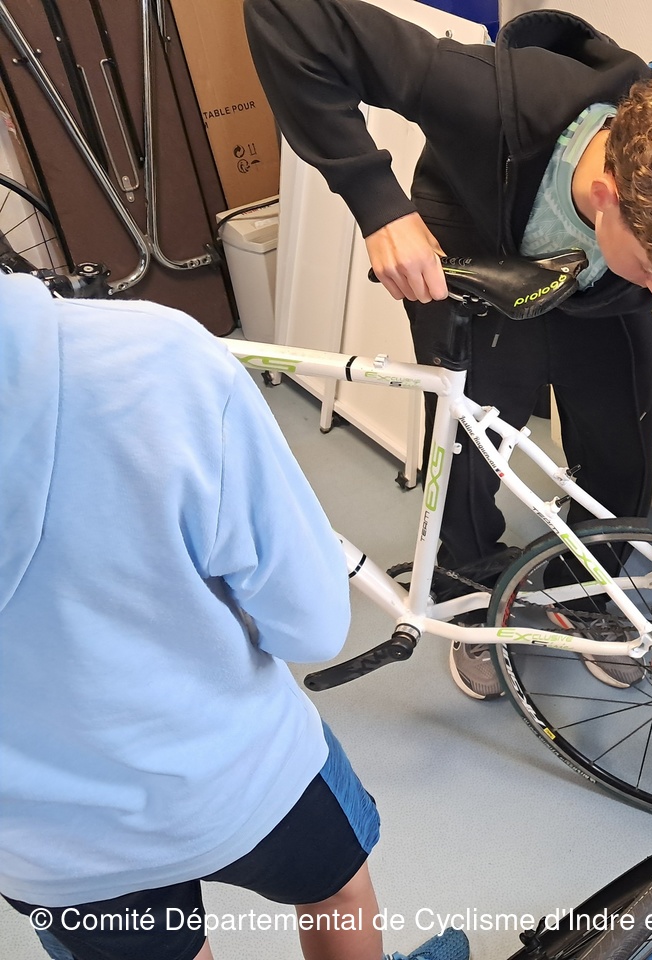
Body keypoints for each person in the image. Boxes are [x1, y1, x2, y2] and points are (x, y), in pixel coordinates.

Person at [243, 0, 652, 699]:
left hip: (601, 290)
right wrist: (377, 201)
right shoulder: (488, 96)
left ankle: (586, 591)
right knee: (470, 449)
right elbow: (287, 15)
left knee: (622, 444)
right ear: (607, 196)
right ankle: (469, 593)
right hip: (476, 239)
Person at [0, 274, 457, 960]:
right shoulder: (150, 356)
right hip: (242, 774)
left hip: (49, 844)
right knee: (337, 893)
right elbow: (311, 627)